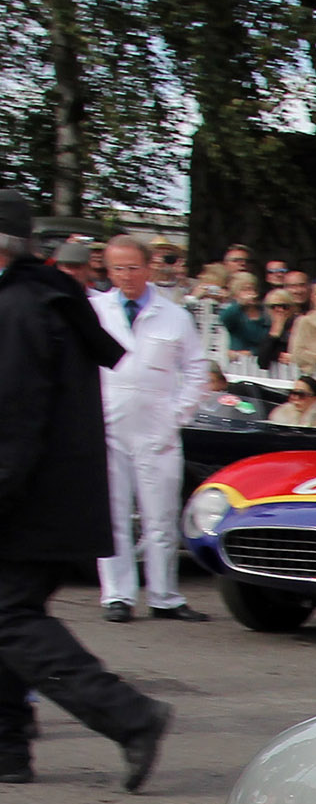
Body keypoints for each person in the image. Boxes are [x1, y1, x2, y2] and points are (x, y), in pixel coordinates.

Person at [0, 192, 170, 787]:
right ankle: (8, 749)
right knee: (11, 617)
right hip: (50, 494)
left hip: (27, 499)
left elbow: (14, 417)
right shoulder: (44, 299)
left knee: (9, 618)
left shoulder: (19, 308)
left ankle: (129, 716)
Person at [87, 234, 212, 624]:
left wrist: (177, 414)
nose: (126, 276)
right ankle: (117, 595)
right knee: (113, 514)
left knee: (161, 515)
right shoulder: (94, 310)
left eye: (133, 267)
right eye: (118, 268)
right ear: (108, 271)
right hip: (109, 423)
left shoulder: (174, 314)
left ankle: (164, 595)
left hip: (156, 425)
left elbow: (196, 369)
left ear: (149, 268)